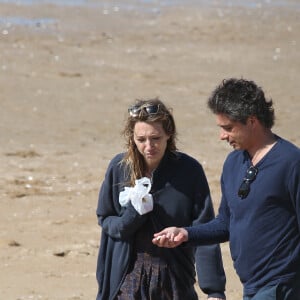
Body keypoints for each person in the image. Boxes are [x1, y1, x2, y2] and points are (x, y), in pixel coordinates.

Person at [153, 78, 300, 300]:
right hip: (251, 287)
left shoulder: (291, 162)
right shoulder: (233, 163)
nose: (222, 136)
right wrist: (185, 233)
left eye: (228, 128)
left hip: (282, 286)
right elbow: (225, 223)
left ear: (252, 121)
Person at [95, 98, 226, 300]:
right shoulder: (119, 168)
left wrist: (214, 290)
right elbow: (105, 219)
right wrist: (132, 215)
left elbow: (205, 230)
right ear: (132, 137)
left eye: (155, 138)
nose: (149, 146)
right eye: (141, 139)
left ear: (169, 133)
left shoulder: (189, 171)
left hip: (175, 278)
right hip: (125, 279)